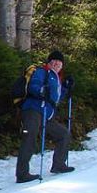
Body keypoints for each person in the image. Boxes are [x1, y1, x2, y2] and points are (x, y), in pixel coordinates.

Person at [16, 50, 74, 183]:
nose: (57, 63)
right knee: (29, 138)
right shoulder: (42, 72)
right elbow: (33, 86)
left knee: (63, 134)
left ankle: (58, 164)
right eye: (54, 61)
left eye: (59, 62)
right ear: (49, 62)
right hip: (34, 110)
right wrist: (42, 90)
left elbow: (56, 97)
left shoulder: (57, 78)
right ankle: (22, 174)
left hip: (46, 115)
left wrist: (66, 87)